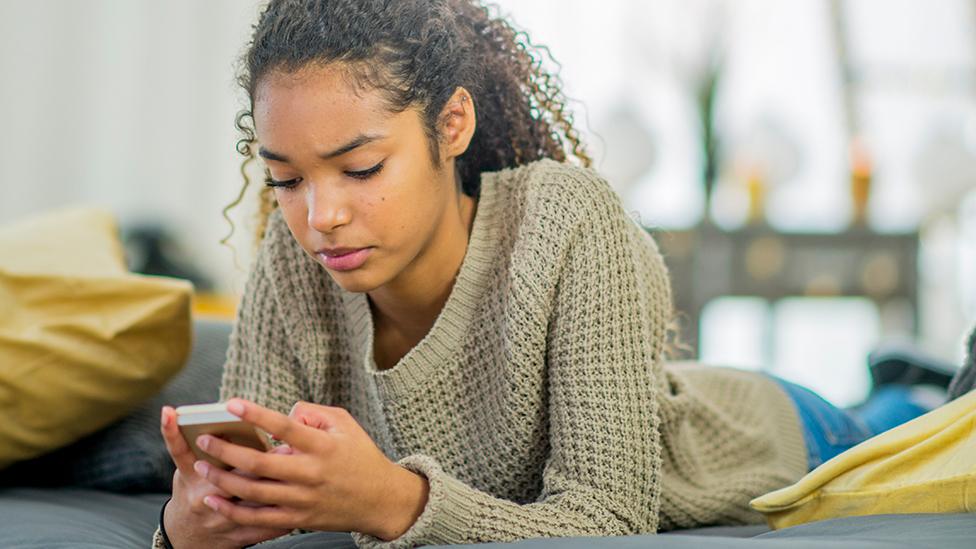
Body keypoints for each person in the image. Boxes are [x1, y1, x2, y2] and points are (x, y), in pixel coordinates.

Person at [151, 1, 938, 547]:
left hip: (771, 435)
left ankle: (911, 380)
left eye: (359, 167)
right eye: (286, 179)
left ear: (450, 124)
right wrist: (190, 526)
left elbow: (609, 515)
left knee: (899, 423)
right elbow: (256, 491)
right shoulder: (296, 260)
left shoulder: (565, 222)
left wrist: (393, 500)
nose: (319, 215)